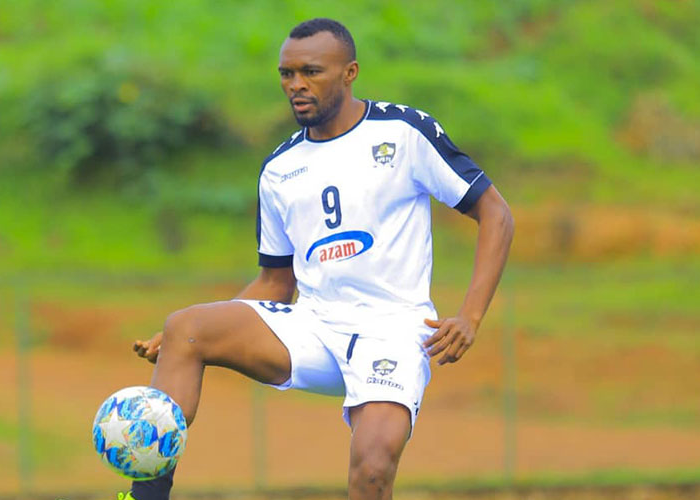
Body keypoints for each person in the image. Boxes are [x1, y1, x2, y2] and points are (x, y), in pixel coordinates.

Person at [120, 17, 514, 500]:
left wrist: (470, 316)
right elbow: (273, 285)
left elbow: (496, 213)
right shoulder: (280, 169)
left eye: (311, 72)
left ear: (350, 72)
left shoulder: (404, 132)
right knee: (187, 326)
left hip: (392, 329)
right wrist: (197, 330)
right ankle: (143, 497)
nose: (296, 85)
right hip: (313, 326)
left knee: (372, 468)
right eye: (287, 74)